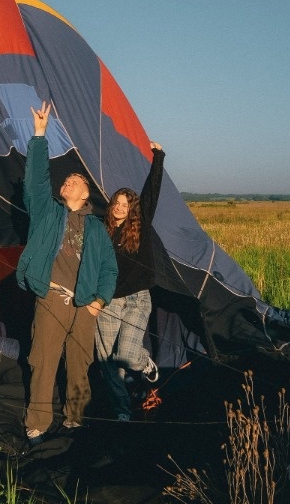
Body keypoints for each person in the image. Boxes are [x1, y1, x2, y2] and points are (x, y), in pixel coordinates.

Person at [16, 101, 118, 445]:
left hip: (85, 304)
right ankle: (38, 422)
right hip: (53, 296)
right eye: (66, 179)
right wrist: (40, 135)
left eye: (74, 179)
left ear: (85, 192)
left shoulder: (97, 228)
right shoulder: (48, 212)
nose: (67, 182)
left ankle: (76, 418)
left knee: (80, 363)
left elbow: (109, 268)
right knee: (44, 361)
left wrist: (99, 300)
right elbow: (35, 181)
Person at [95, 141, 165, 422]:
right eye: (117, 203)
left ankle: (144, 361)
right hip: (109, 299)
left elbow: (151, 193)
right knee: (107, 362)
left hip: (137, 298)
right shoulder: (102, 230)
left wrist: (158, 157)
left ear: (132, 208)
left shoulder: (141, 225)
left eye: (126, 204)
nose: (120, 208)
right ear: (111, 207)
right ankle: (122, 409)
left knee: (125, 354)